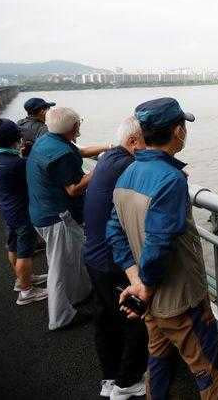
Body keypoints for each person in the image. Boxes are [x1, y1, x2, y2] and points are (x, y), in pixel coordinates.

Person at [107, 98, 218, 400]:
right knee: (211, 370)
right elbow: (159, 242)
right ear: (178, 131)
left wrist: (136, 280)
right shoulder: (170, 180)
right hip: (181, 303)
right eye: (184, 126)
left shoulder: (127, 173)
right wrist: (146, 285)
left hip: (149, 300)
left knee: (158, 358)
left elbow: (113, 230)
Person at [26, 106, 109, 330]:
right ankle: (60, 317)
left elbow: (79, 152)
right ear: (74, 127)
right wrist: (101, 169)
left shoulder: (48, 141)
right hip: (56, 216)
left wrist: (110, 147)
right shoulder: (61, 154)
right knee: (59, 266)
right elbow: (74, 189)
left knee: (73, 255)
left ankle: (80, 294)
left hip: (41, 211)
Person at [83, 116, 148, 399]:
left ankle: (110, 378)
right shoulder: (128, 166)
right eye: (148, 141)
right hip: (113, 259)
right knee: (132, 318)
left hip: (95, 254)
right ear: (133, 141)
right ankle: (127, 382)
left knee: (106, 319)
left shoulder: (109, 159)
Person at [0, 119, 49, 305]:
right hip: (22, 212)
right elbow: (33, 180)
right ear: (15, 138)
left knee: (13, 247)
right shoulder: (16, 164)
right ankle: (27, 292)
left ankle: (22, 280)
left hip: (7, 209)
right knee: (25, 252)